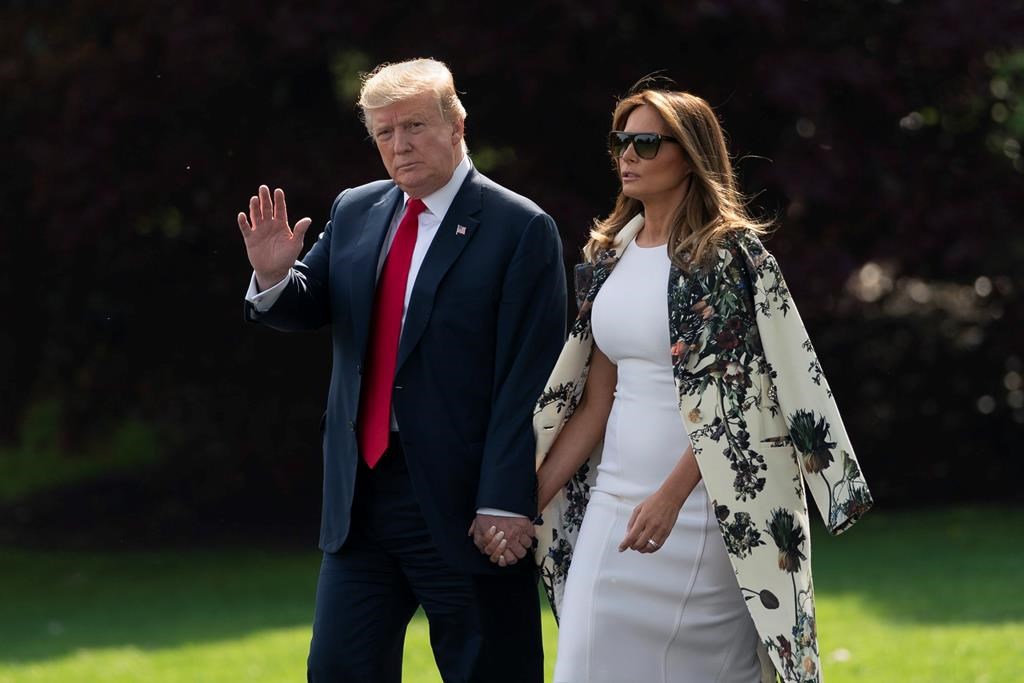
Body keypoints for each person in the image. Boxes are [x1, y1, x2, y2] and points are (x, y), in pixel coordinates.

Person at [483, 88, 874, 682]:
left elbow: (737, 400)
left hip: (706, 510)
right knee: (582, 666)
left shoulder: (724, 255)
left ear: (689, 155)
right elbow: (596, 402)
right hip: (613, 503)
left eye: (645, 142)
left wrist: (668, 499)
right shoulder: (611, 253)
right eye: (621, 141)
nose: (627, 155)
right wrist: (526, 502)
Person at [236, 58, 566, 683]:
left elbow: (529, 380)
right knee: (337, 669)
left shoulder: (519, 227)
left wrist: (505, 499)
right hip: (360, 501)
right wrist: (275, 275)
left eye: (414, 126)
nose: (399, 145)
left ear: (456, 124)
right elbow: (310, 305)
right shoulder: (357, 209)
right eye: (384, 132)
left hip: (465, 505)